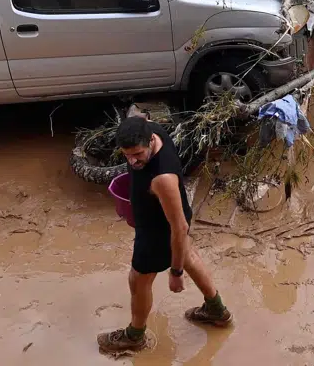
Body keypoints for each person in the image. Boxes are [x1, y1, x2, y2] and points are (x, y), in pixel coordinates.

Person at [96, 115, 231, 354]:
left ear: (149, 141)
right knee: (187, 253)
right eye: (126, 155)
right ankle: (217, 310)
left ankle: (134, 336)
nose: (132, 161)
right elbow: (138, 118)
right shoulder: (152, 129)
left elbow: (179, 229)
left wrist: (175, 273)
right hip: (168, 215)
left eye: (137, 154)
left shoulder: (162, 179)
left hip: (160, 232)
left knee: (138, 280)